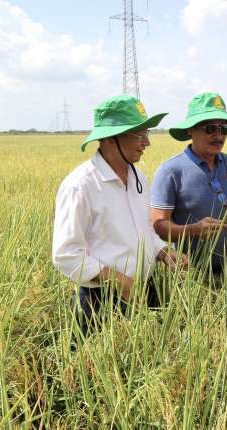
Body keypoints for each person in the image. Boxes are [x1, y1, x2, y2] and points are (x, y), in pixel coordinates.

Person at [53, 94, 188, 337]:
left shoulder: (139, 178)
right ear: (109, 138)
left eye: (146, 134)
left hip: (144, 292)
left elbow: (144, 230)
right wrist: (120, 282)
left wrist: (164, 251)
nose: (146, 142)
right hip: (100, 302)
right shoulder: (80, 185)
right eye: (139, 135)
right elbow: (66, 254)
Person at [150, 93, 227, 273]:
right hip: (189, 273)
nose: (219, 135)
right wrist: (193, 230)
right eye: (210, 128)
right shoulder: (171, 170)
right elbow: (158, 226)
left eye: (224, 128)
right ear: (190, 129)